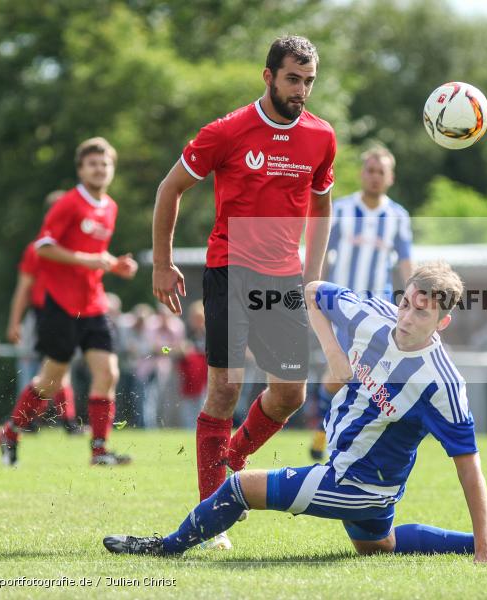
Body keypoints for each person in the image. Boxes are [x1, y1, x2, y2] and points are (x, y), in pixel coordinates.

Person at [103, 262, 487, 561]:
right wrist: (334, 354)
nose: (406, 317)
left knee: (239, 487)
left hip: (358, 484)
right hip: (355, 470)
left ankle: (163, 548)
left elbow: (468, 466)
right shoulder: (372, 315)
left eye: (422, 312)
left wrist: (483, 553)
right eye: (405, 303)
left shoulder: (442, 383)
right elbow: (313, 292)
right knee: (378, 546)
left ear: (442, 322)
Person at [151, 35, 336, 550]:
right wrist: (162, 264)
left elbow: (321, 207)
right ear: (268, 76)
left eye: (309, 81)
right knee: (225, 390)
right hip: (229, 270)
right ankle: (212, 519)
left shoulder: (321, 136)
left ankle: (230, 459)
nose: (301, 90)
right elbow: (169, 188)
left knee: (291, 394)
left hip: (283, 280)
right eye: (293, 79)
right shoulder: (227, 130)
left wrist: (311, 277)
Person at [0, 137, 138, 466]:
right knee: (51, 381)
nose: (100, 169)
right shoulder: (69, 203)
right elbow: (43, 247)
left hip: (94, 304)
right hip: (61, 305)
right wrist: (88, 260)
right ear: (81, 170)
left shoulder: (110, 207)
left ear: (112, 169)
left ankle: (99, 450)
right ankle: (11, 431)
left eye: (105, 164)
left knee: (108, 372)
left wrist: (115, 265)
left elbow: (95, 253)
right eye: (93, 164)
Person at [309, 145, 413, 460]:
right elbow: (322, 254)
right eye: (370, 170)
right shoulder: (341, 209)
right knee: (341, 372)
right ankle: (324, 427)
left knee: (372, 374)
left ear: (391, 178)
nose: (375, 176)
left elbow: (406, 263)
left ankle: (353, 439)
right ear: (361, 173)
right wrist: (314, 292)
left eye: (381, 172)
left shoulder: (397, 216)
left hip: (378, 308)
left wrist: (414, 300)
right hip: (342, 306)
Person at [6, 190, 83, 434]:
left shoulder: (76, 251)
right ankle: (30, 420)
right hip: (44, 314)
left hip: (68, 313)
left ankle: (46, 420)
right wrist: (15, 322)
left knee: (58, 368)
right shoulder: (37, 250)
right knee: (47, 369)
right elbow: (23, 289)